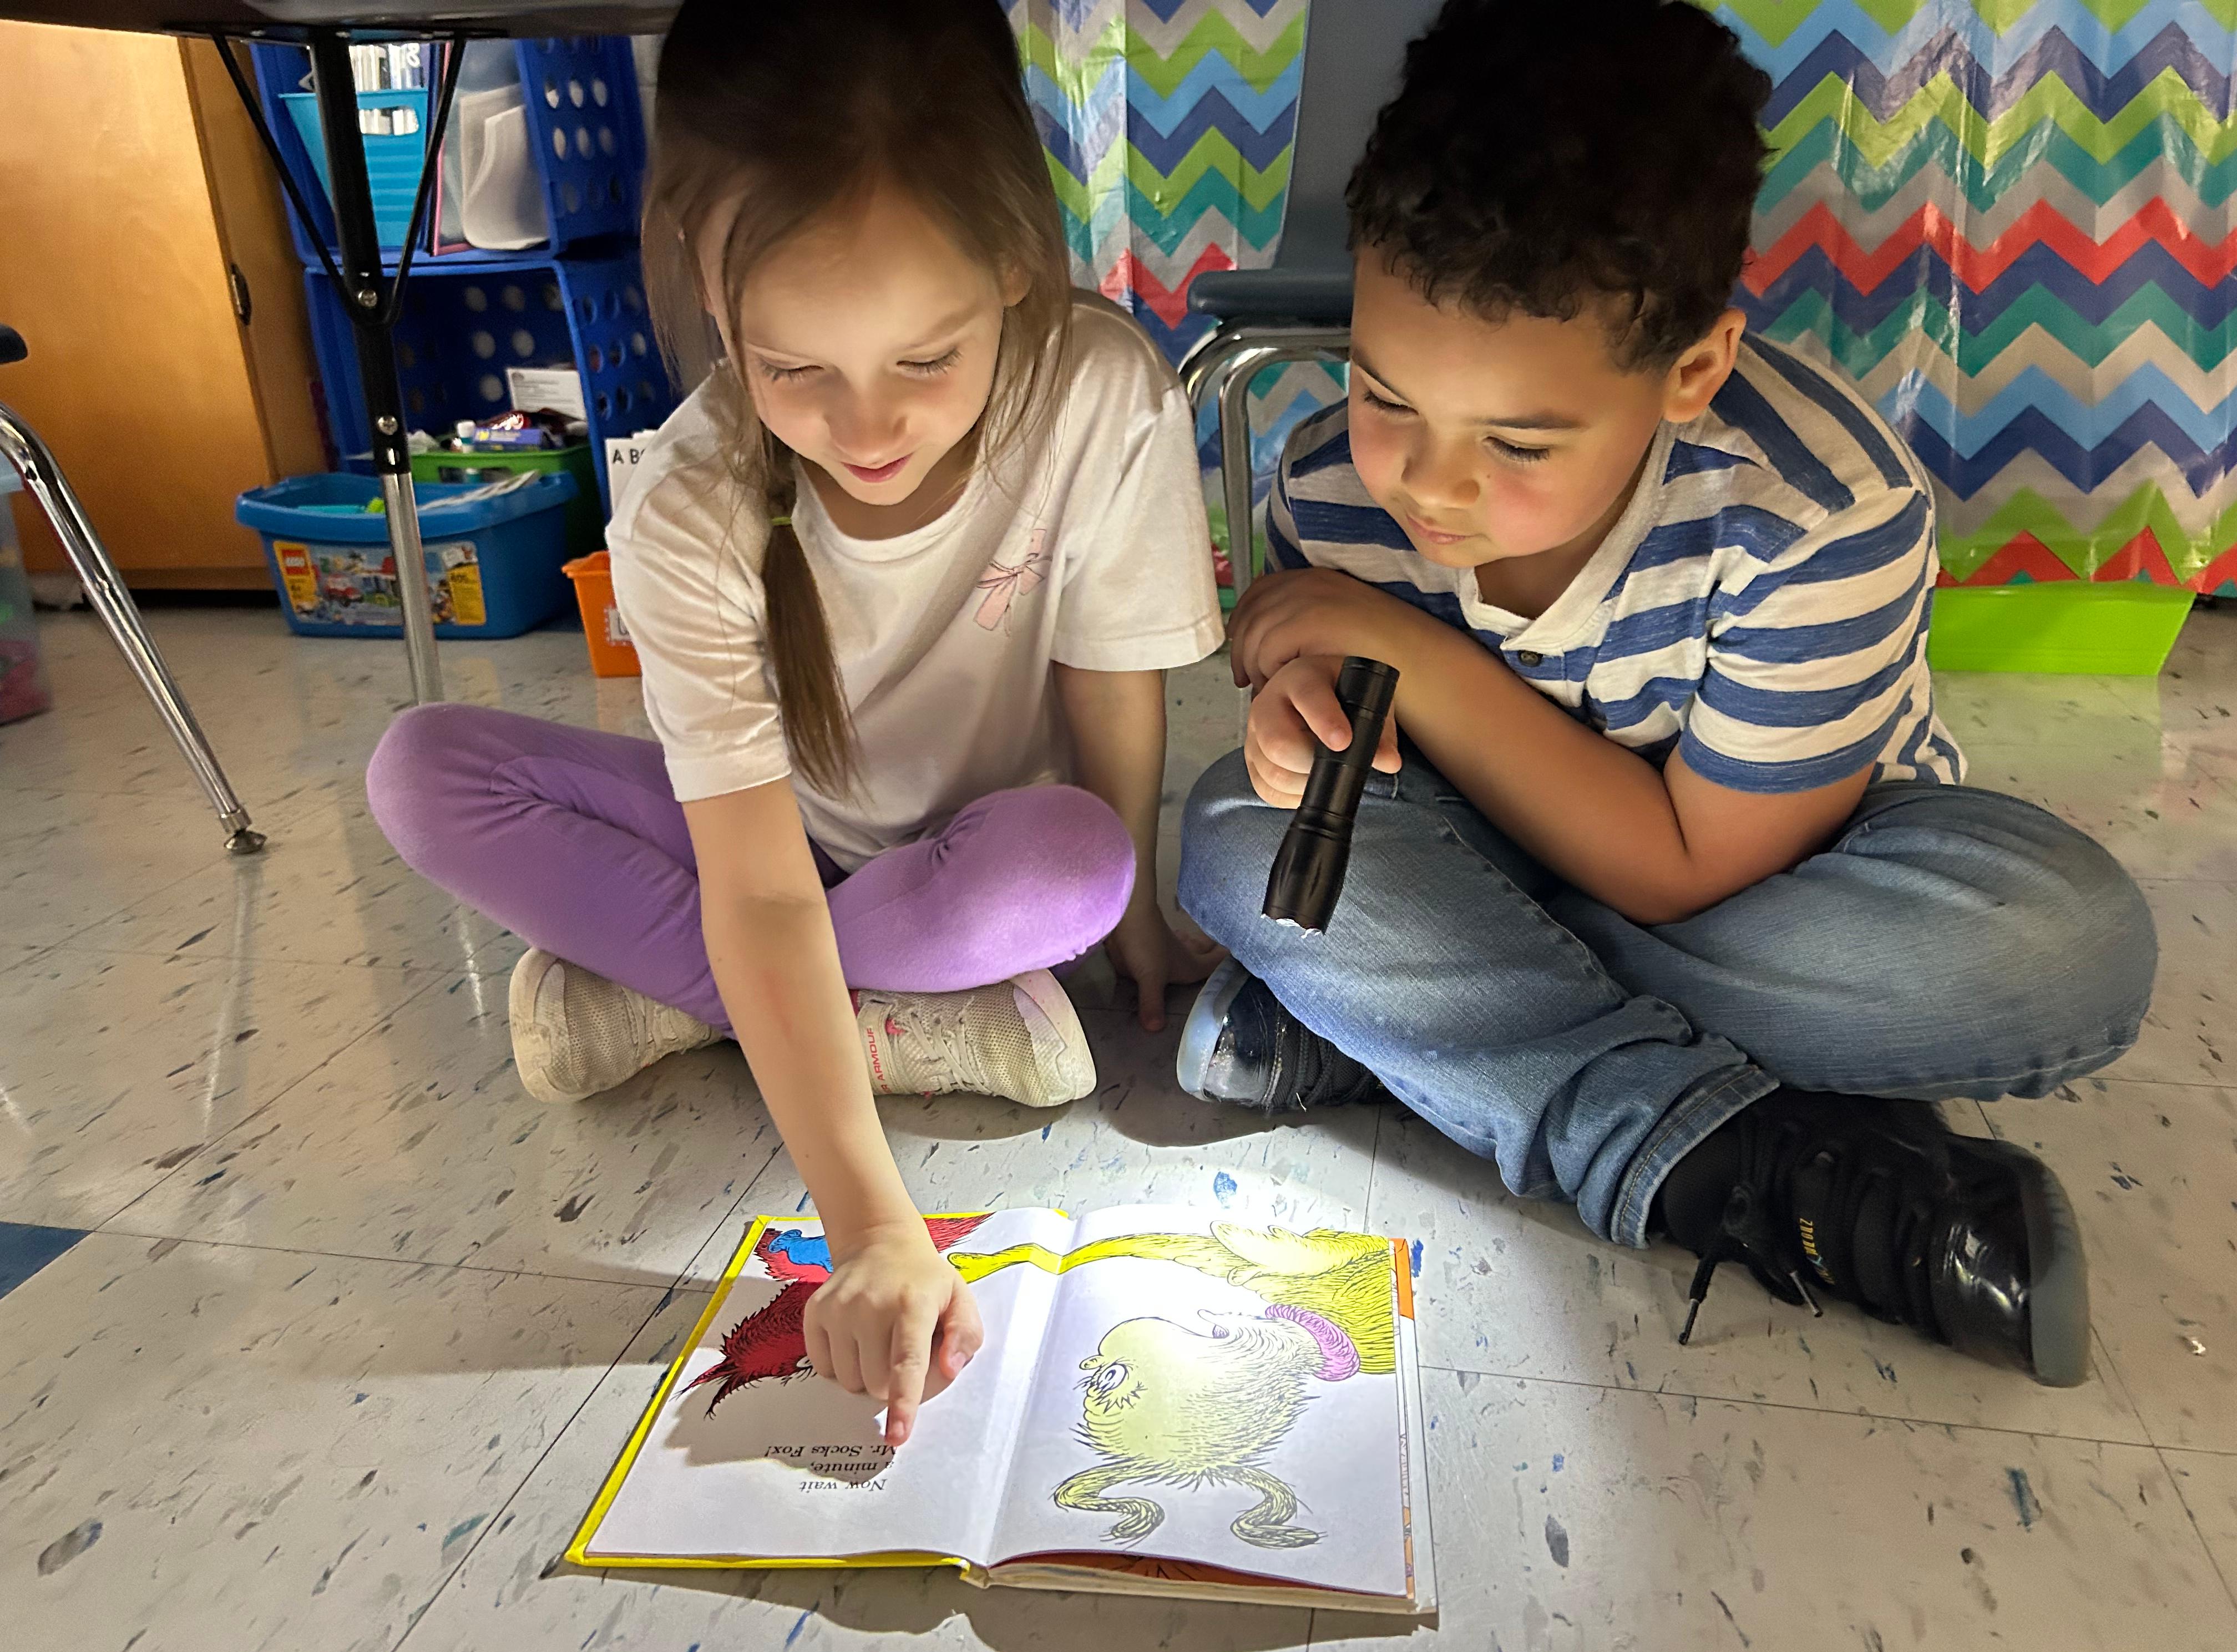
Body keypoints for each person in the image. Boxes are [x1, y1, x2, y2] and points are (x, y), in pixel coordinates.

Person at [1173, 0, 2156, 1387]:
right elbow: (1358, 767)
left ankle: (1404, 1025)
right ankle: (1725, 1157)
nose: (1429, 483)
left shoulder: (1822, 512)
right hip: (1507, 856)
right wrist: (1306, 732)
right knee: (1233, 835)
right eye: (1386, 391)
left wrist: (1433, 677)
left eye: (1518, 440)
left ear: (1692, 369)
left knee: (2065, 946)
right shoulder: (1335, 483)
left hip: (1785, 887)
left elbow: (1683, 870)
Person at [368, 0, 1224, 1442]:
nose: (868, 425)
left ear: (1016, 260)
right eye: (794, 370)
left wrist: (1133, 909)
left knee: (1083, 863)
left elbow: (1111, 674)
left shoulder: (1101, 390)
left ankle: (676, 1004)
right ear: (711, 283)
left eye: (926, 359)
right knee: (422, 769)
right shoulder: (692, 500)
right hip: (769, 854)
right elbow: (759, 885)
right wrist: (874, 1223)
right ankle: (885, 1026)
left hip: (970, 859)